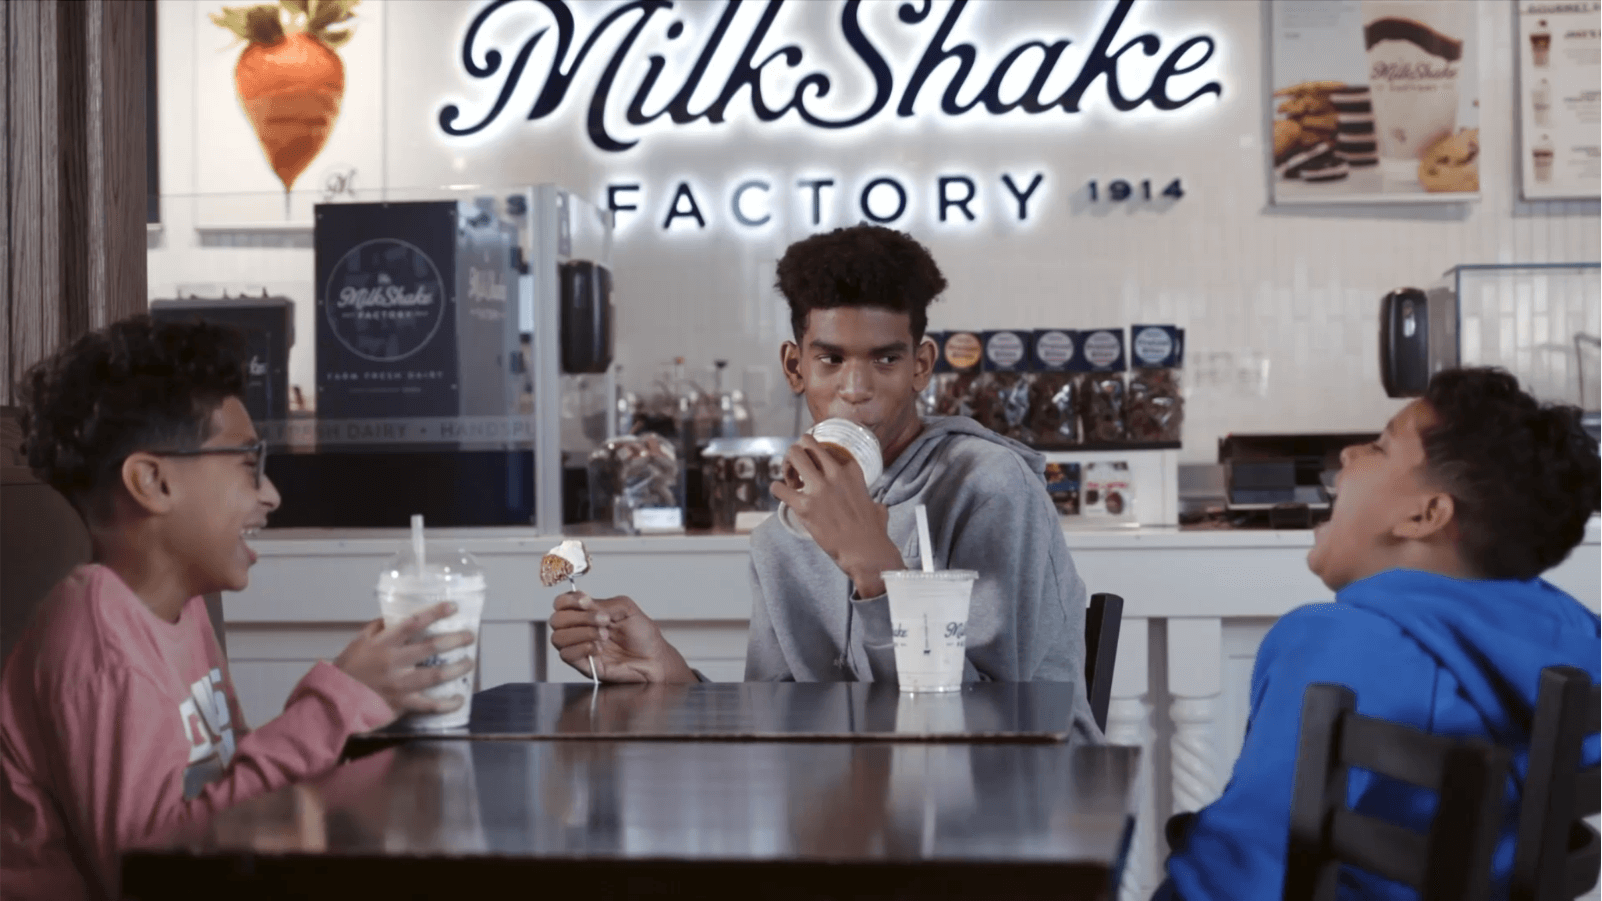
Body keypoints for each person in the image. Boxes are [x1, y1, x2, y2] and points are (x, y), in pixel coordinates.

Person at [549, 224, 1101, 741]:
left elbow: (998, 726)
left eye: (885, 359)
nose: (856, 388)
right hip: (866, 811)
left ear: (921, 364)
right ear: (795, 368)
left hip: (1021, 813)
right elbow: (781, 727)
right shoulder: (783, 533)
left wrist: (874, 565)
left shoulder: (989, 487)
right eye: (830, 360)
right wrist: (676, 682)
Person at [0, 316, 477, 900]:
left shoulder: (183, 610)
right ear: (153, 481)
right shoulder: (100, 646)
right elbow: (151, 876)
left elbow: (231, 791)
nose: (270, 493)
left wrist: (369, 711)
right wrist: (339, 702)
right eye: (248, 464)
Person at [1155, 367, 1602, 900]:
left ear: (1425, 514)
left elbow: (1239, 871)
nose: (1347, 455)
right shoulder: (1573, 641)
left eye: (1378, 446)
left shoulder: (1344, 643)